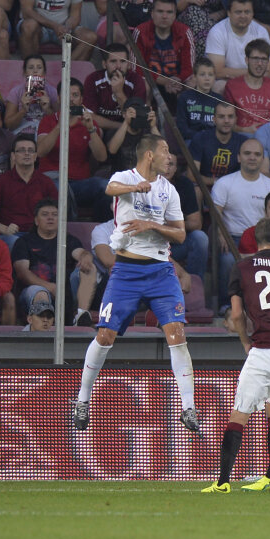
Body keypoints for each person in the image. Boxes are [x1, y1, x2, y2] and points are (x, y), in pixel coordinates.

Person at [73, 135, 197, 433]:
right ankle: (82, 399)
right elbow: (108, 188)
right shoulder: (124, 178)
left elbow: (181, 235)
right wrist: (135, 188)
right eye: (166, 150)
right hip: (126, 270)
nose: (170, 156)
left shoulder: (170, 190)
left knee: (177, 333)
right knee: (105, 336)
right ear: (149, 155)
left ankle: (188, 408)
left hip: (160, 271)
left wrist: (153, 225)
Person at [202, 218, 270, 494]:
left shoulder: (241, 268)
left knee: (240, 413)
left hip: (266, 348)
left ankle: (223, 481)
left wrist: (245, 342)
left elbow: (237, 314)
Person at [11, 198, 99, 324]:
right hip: (34, 293)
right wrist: (50, 287)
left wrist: (86, 257)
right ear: (36, 220)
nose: (50, 218)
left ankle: (81, 315)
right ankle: (44, 331)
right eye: (45, 215)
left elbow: (81, 253)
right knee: (40, 292)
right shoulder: (24, 242)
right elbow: (22, 272)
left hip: (66, 292)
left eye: (55, 215)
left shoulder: (68, 240)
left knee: (90, 268)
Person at [36, 80, 110, 219]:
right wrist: (59, 126)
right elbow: (40, 152)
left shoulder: (88, 122)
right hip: (52, 180)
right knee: (59, 190)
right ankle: (69, 231)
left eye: (75, 95)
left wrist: (91, 129)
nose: (70, 99)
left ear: (81, 99)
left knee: (104, 186)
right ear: (59, 98)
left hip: (80, 184)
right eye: (66, 94)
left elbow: (102, 157)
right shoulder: (48, 121)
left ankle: (99, 229)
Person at [0, 134, 59, 249]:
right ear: (13, 156)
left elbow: (57, 214)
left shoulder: (46, 182)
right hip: (11, 235)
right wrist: (5, 229)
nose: (27, 153)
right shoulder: (0, 182)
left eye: (31, 150)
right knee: (15, 243)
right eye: (21, 150)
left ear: (35, 156)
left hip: (39, 235)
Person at [82, 43, 148, 132]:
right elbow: (89, 117)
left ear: (129, 64)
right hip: (102, 128)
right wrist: (121, 126)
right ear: (104, 64)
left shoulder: (136, 80)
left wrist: (119, 93)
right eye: (113, 61)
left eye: (123, 61)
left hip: (130, 129)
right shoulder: (93, 79)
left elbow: (135, 119)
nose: (118, 66)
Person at [206, 0, 270, 80]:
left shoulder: (261, 31)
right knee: (219, 87)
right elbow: (217, 72)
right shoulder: (217, 32)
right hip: (227, 80)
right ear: (229, 13)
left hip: (256, 80)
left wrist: (232, 72)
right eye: (238, 12)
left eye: (247, 12)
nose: (243, 16)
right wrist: (255, 72)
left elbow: (268, 70)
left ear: (253, 13)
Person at [189, 102, 248, 188]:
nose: (226, 121)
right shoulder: (200, 138)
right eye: (221, 116)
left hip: (234, 188)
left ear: (236, 119)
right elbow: (192, 176)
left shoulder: (243, 142)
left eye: (230, 116)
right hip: (206, 187)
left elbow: (249, 175)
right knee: (196, 189)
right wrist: (219, 182)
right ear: (214, 119)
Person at [4, 56, 58, 137]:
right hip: (21, 134)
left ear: (44, 72)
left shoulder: (52, 91)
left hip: (44, 134)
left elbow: (59, 122)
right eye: (31, 67)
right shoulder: (16, 92)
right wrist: (23, 110)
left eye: (39, 68)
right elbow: (8, 125)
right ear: (25, 72)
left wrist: (47, 109)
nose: (35, 71)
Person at [176, 58, 225, 141]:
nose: (207, 78)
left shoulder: (219, 100)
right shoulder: (185, 97)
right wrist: (200, 137)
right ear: (195, 77)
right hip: (192, 140)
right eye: (202, 74)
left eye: (210, 75)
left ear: (214, 77)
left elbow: (222, 126)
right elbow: (182, 128)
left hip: (213, 141)